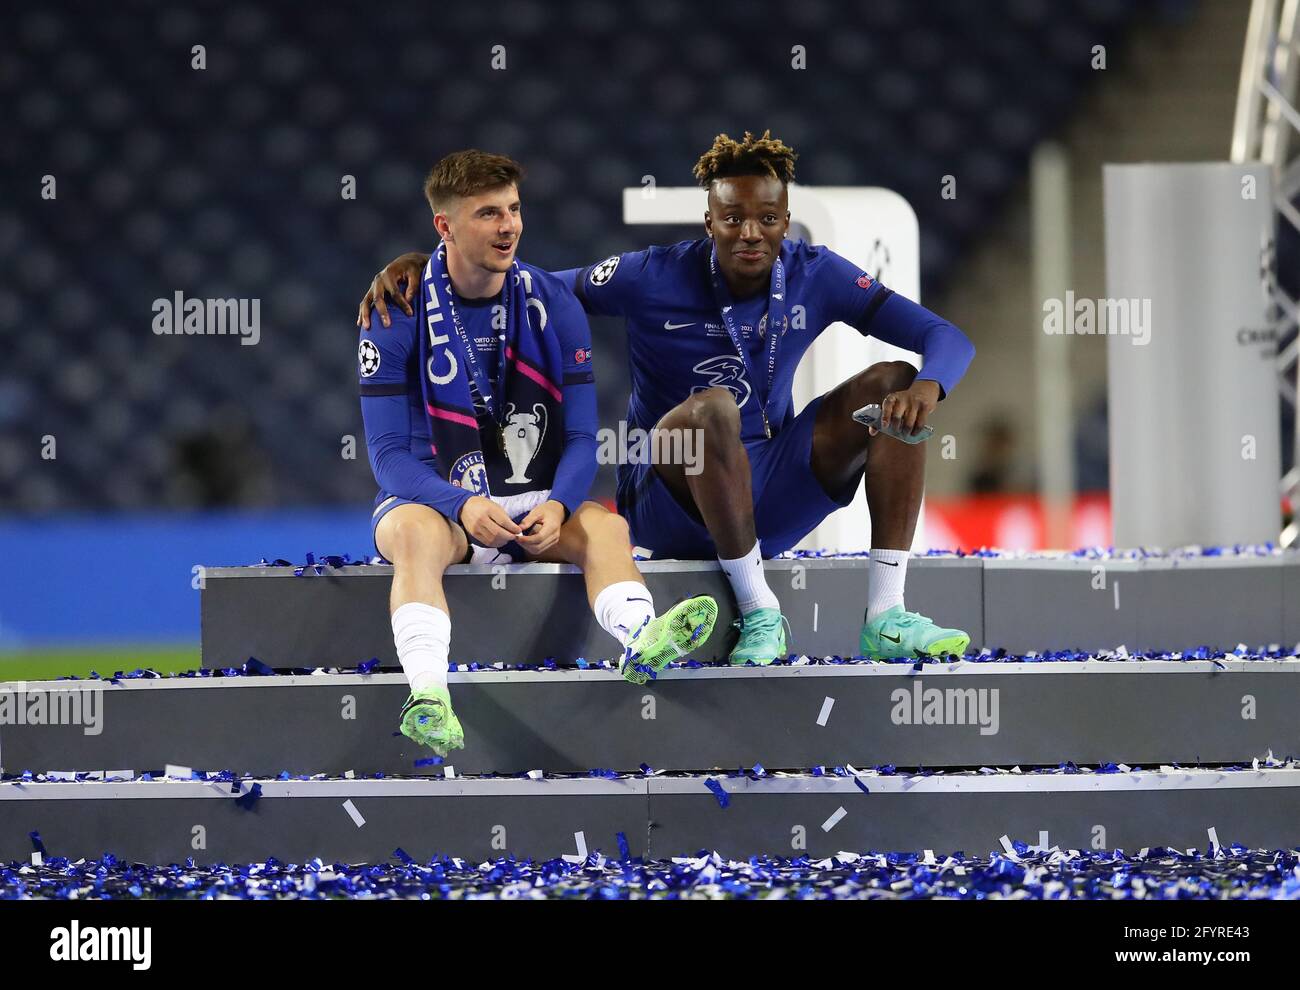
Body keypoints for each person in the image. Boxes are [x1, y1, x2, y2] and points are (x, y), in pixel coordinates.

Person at [359, 132, 974, 665]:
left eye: (767, 218)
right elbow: (526, 285)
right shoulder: (650, 275)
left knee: (894, 381)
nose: (750, 233)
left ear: (788, 220)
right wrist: (425, 264)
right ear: (710, 223)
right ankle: (759, 611)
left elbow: (944, 337)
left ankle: (888, 614)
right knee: (710, 411)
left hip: (771, 489)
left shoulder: (818, 273)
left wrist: (929, 384)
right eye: (732, 219)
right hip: (670, 499)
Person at [359, 150, 716, 756]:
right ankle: (428, 697)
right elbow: (389, 456)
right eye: (489, 213)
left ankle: (641, 639)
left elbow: (581, 437)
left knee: (604, 525)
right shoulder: (397, 310)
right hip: (438, 504)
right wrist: (462, 505)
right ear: (444, 227)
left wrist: (561, 503)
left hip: (529, 502)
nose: (509, 226)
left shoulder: (554, 303)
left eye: (515, 210)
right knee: (415, 535)